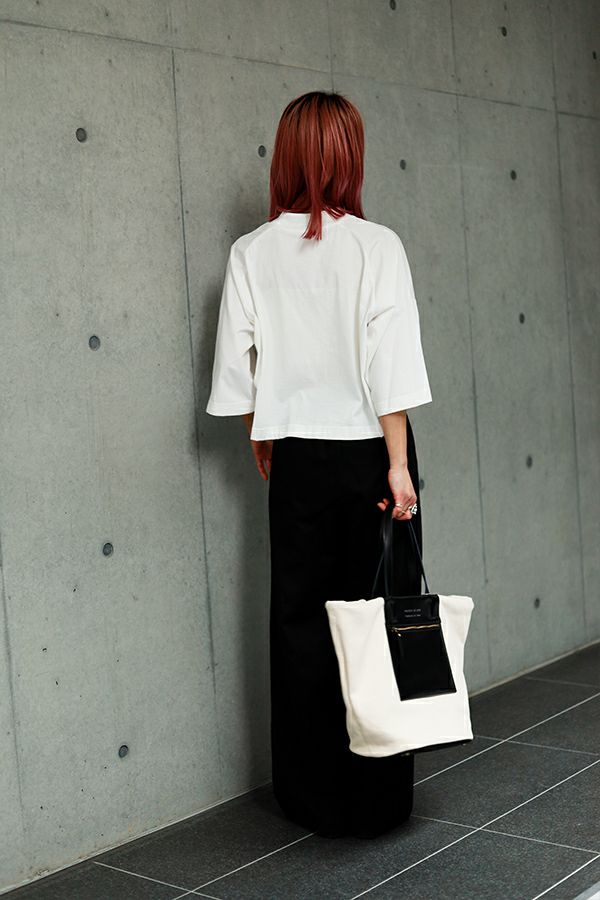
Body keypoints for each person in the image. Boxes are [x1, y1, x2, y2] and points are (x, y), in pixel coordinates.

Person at [205, 91, 433, 839]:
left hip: (296, 459)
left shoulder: (251, 252)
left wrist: (261, 436)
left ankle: (308, 797)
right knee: (378, 617)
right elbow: (390, 369)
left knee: (301, 622)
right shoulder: (378, 246)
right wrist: (399, 467)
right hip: (370, 457)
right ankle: (376, 796)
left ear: (287, 156)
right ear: (347, 157)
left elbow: (237, 370)